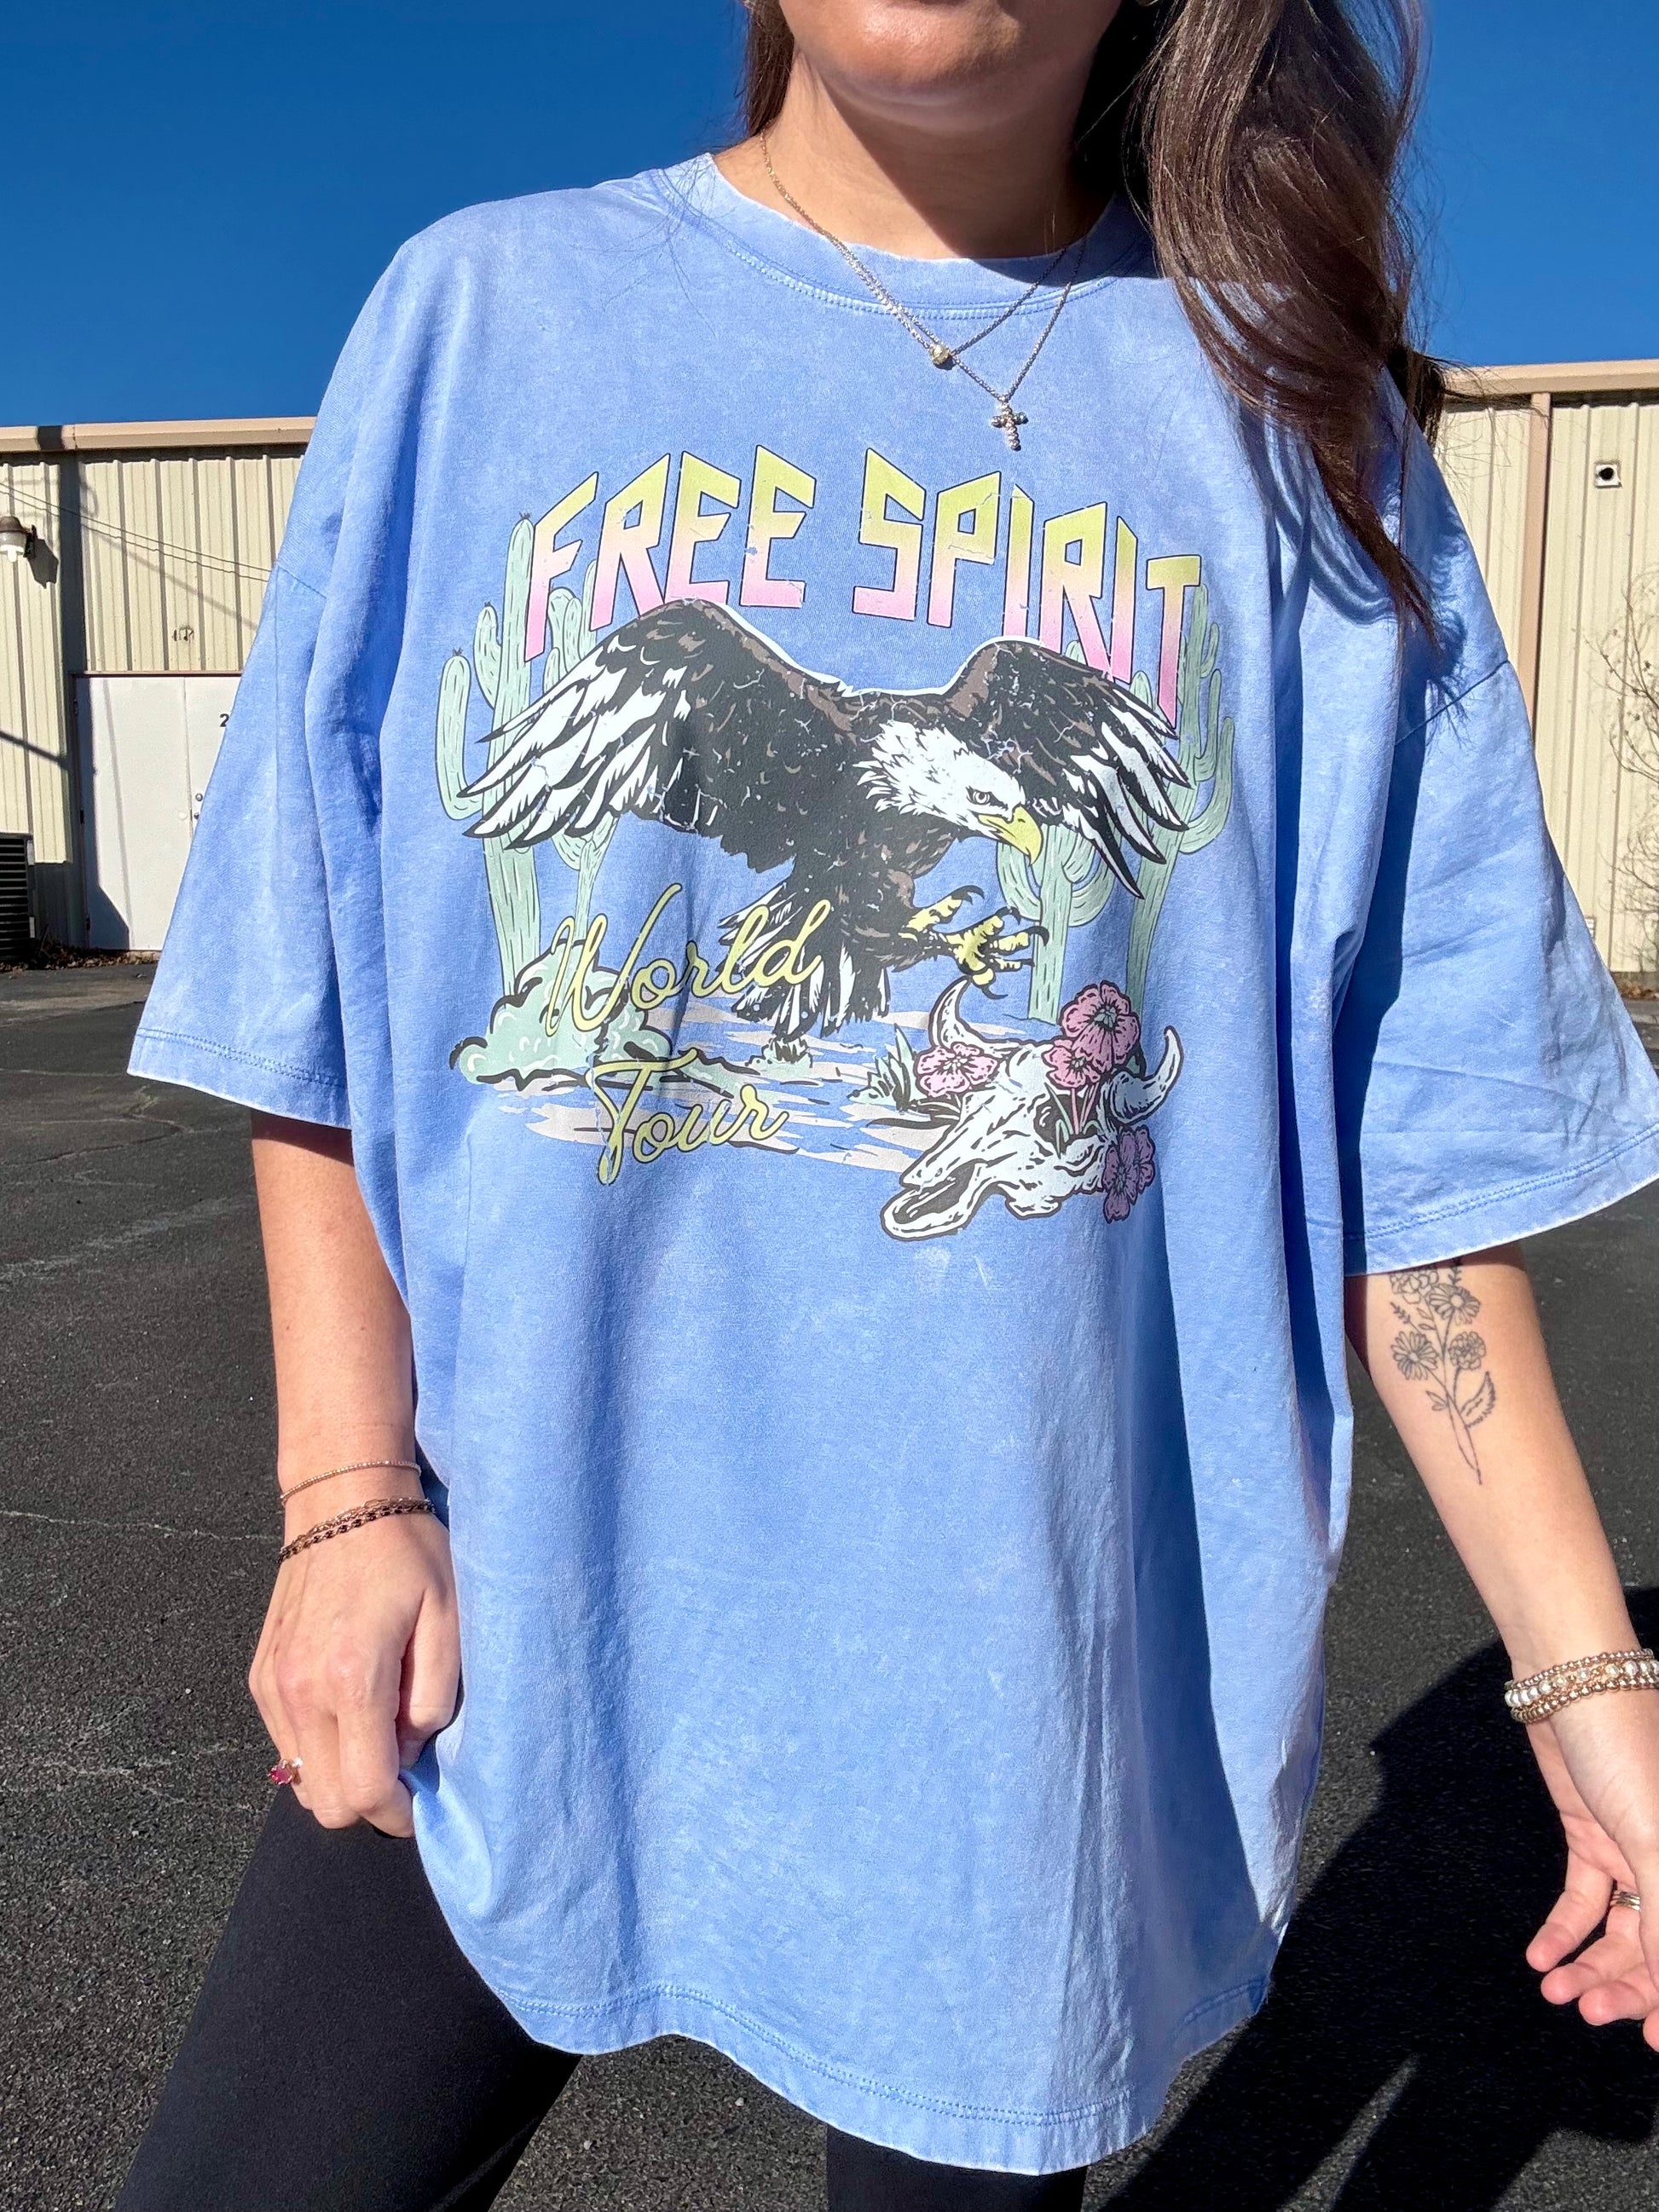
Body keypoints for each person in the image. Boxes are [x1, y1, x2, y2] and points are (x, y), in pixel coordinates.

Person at [117, 1, 1659, 2206]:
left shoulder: (1294, 431)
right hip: (511, 1612)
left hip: (1018, 1683)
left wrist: (1588, 1685)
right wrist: (347, 1493)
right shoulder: (488, 321)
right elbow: (319, 980)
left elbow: (1412, 1146)